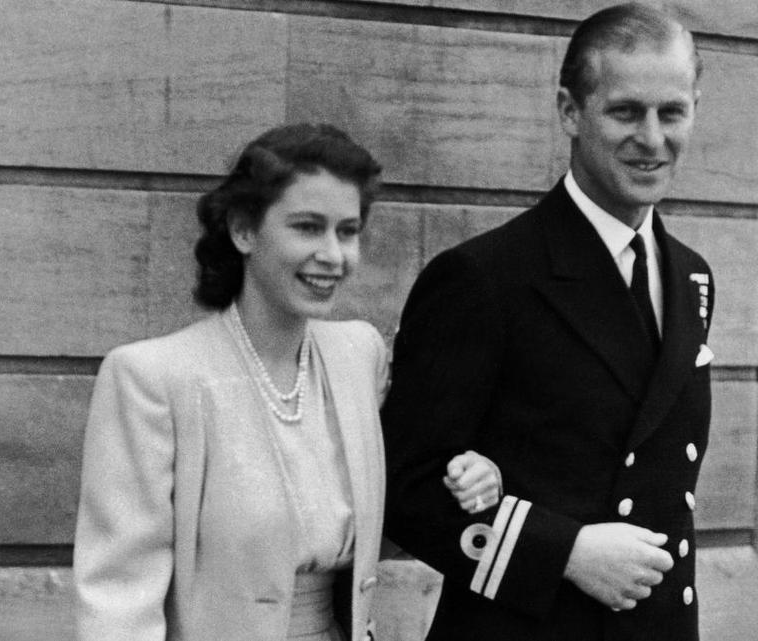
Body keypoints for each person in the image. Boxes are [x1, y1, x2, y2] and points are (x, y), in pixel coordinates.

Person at [73, 123, 501, 641]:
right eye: (306, 227)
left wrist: (476, 470)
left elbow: (411, 487)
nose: (333, 254)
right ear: (244, 230)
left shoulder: (358, 355)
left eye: (347, 231)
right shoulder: (152, 378)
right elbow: (119, 598)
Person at [381, 4, 714, 640]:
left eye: (672, 112)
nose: (652, 138)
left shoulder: (692, 277)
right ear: (569, 111)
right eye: (625, 111)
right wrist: (562, 550)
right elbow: (405, 487)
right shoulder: (486, 277)